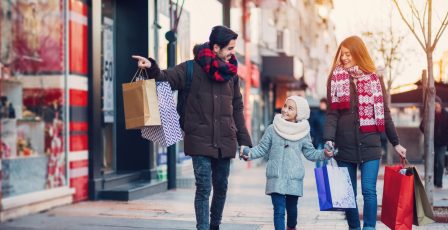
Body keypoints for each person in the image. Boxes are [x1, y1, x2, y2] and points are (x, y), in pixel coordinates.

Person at [132, 26, 252, 230]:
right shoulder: (190, 69)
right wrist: (151, 66)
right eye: (229, 48)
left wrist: (244, 141)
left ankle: (215, 225)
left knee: (221, 187)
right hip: (199, 139)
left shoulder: (232, 75)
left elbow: (237, 108)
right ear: (216, 47)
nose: (233, 52)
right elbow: (165, 78)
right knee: (203, 188)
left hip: (225, 140)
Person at [323, 35, 406, 230]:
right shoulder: (335, 79)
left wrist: (396, 143)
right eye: (342, 54)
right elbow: (332, 114)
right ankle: (354, 227)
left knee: (369, 191)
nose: (344, 58)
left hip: (370, 144)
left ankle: (369, 228)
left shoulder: (375, 79)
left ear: (359, 54)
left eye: (348, 54)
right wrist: (328, 139)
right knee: (348, 192)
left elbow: (384, 114)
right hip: (345, 145)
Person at [240, 96, 333, 230]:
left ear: (299, 113)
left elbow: (310, 153)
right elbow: (262, 148)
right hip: (276, 175)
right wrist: (249, 154)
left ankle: (291, 227)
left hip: (293, 177)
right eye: (285, 106)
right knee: (278, 210)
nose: (285, 110)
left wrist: (324, 153)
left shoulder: (303, 132)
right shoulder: (272, 129)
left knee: (292, 210)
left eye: (290, 108)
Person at [419, 95, 448, 188]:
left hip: (443, 143)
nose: (436, 107)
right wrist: (427, 134)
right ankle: (435, 181)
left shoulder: (446, 114)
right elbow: (421, 126)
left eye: (437, 105)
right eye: (434, 105)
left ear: (440, 104)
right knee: (433, 161)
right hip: (432, 142)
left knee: (440, 162)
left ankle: (439, 182)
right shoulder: (429, 114)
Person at [310, 98, 328, 167]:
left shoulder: (329, 115)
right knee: (318, 156)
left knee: (326, 158)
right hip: (318, 139)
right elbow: (311, 125)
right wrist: (313, 135)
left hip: (327, 139)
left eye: (323, 104)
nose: (322, 105)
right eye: (321, 104)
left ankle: (324, 171)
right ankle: (319, 173)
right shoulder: (316, 114)